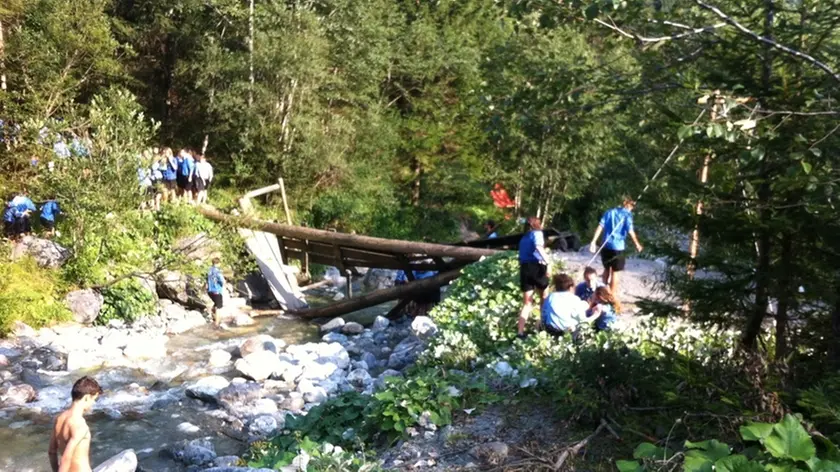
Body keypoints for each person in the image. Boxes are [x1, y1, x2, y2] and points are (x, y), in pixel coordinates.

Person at [588, 197, 643, 296]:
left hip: (605, 245)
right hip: (618, 247)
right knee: (615, 272)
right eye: (632, 205)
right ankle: (611, 295)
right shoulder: (627, 215)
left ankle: (603, 292)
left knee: (606, 269)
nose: (633, 207)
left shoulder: (609, 212)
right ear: (627, 204)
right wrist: (637, 244)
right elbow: (630, 231)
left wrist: (593, 241)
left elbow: (600, 226)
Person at [48, 376, 102, 472]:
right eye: (94, 399)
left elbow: (52, 452)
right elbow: (66, 458)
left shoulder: (59, 418)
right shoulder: (80, 424)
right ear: (86, 397)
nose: (93, 403)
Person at [517, 216, 551, 338]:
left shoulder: (523, 238)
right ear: (537, 224)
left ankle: (520, 332)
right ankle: (543, 325)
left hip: (524, 269)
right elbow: (539, 247)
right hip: (536, 267)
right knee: (545, 297)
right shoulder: (537, 234)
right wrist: (548, 262)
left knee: (527, 303)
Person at [541, 273, 600, 337]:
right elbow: (582, 321)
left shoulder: (550, 297)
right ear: (571, 287)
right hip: (567, 333)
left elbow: (543, 317)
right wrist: (595, 315)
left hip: (551, 331)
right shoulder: (574, 299)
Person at [207, 257, 225, 324]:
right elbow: (222, 280)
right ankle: (217, 323)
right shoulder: (218, 271)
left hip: (210, 291)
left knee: (216, 304)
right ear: (218, 263)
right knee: (219, 307)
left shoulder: (209, 270)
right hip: (216, 291)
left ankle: (212, 315)